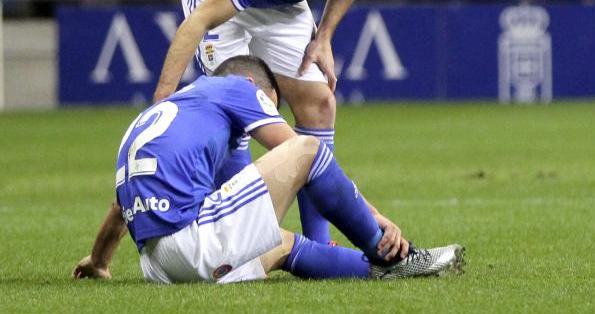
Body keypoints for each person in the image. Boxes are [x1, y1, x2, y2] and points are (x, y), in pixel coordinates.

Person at [156, 0, 415, 245]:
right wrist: (162, 101)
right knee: (236, 111)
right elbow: (198, 22)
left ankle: (319, 242)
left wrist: (323, 36)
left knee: (320, 103)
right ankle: (239, 247)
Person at [73, 56, 464, 284]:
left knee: (276, 242)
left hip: (158, 266)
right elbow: (298, 155)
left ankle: (379, 272)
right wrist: (375, 218)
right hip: (192, 245)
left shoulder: (174, 112)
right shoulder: (236, 89)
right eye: (269, 106)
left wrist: (98, 262)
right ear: (251, 86)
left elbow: (118, 207)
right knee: (308, 147)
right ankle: (396, 256)